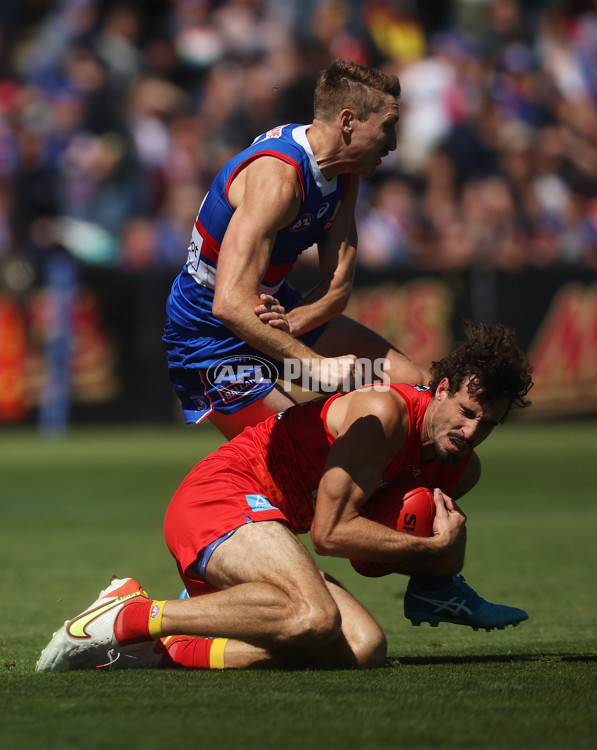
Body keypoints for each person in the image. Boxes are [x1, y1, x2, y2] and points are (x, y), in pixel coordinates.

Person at [37, 321, 534, 673]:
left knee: (362, 649)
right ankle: (127, 615)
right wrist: (430, 551)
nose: (471, 430)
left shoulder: (459, 468)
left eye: (488, 423)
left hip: (266, 527)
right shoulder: (386, 414)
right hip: (222, 495)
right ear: (442, 388)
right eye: (467, 411)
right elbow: (331, 534)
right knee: (312, 617)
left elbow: (379, 546)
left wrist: (438, 576)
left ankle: (167, 647)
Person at [162, 58, 426, 440]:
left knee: (415, 388)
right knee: (302, 455)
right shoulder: (279, 178)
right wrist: (314, 365)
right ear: (348, 121)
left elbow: (336, 290)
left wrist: (291, 324)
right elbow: (229, 304)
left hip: (272, 311)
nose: (394, 143)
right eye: (387, 128)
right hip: (210, 334)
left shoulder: (345, 175)